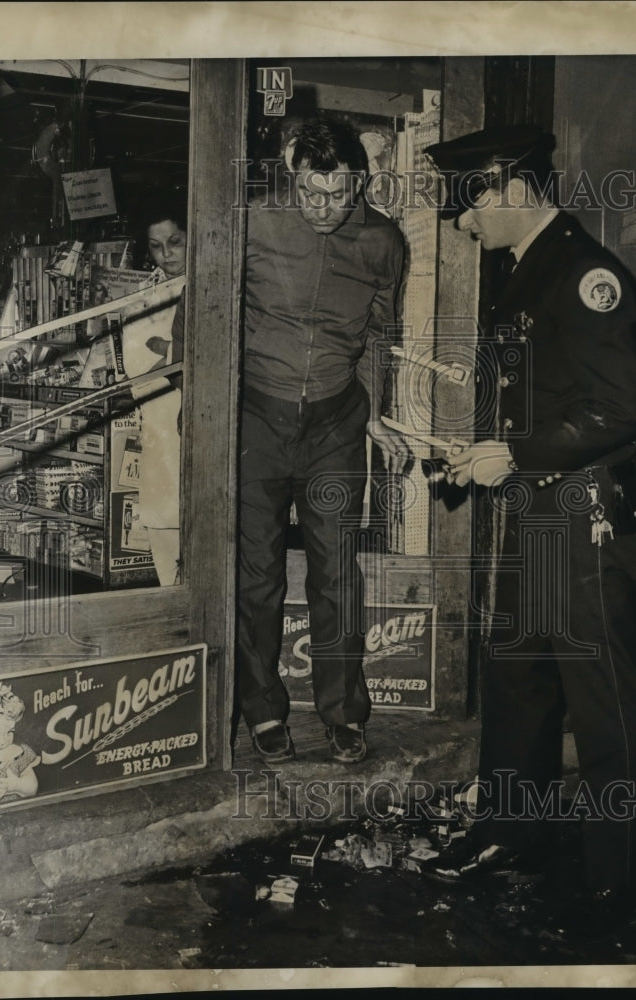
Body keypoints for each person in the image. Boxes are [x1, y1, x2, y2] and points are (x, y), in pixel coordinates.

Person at [424, 124, 636, 937]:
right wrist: (484, 451)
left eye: (469, 208)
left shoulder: (587, 273)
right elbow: (549, 397)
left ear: (509, 188)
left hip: (586, 517)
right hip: (536, 507)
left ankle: (616, 882)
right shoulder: (528, 268)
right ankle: (510, 831)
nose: (463, 225)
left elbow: (621, 410)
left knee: (606, 706)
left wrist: (515, 452)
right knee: (518, 682)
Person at [238, 117, 410, 765]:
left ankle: (342, 712)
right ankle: (262, 708)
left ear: (359, 182)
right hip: (256, 418)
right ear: (292, 175)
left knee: (337, 574)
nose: (325, 210)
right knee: (257, 578)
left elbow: (378, 334)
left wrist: (373, 413)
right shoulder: (253, 224)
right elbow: (202, 321)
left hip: (336, 424)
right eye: (311, 193)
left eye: (339, 195)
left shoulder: (383, 240)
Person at [122, 197, 186, 586]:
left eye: (175, 241)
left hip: (204, 430)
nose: (167, 254)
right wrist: (175, 352)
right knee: (167, 552)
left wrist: (166, 348)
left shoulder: (220, 285)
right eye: (156, 246)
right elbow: (138, 371)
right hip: (162, 433)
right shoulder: (144, 299)